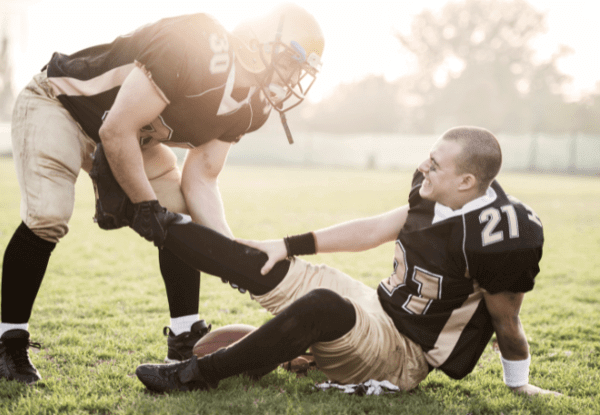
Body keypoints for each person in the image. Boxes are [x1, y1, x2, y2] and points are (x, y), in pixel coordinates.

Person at [0, 3, 324, 384]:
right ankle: (8, 341)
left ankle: (185, 334)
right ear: (258, 42)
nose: (290, 79)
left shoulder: (252, 107)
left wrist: (231, 253)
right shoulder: (198, 44)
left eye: (297, 71)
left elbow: (201, 177)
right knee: (49, 214)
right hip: (62, 104)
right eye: (288, 63)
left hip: (127, 134)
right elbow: (116, 130)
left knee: (178, 215)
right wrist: (144, 206)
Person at [134, 126, 561, 396]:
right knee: (262, 259)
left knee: (323, 305)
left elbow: (507, 322)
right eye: (428, 157)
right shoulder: (435, 193)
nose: (422, 167)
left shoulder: (502, 235)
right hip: (376, 306)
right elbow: (374, 230)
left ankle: (195, 374)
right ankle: (141, 213)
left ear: (467, 182)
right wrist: (288, 244)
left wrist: (518, 383)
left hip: (404, 353)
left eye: (434, 165)